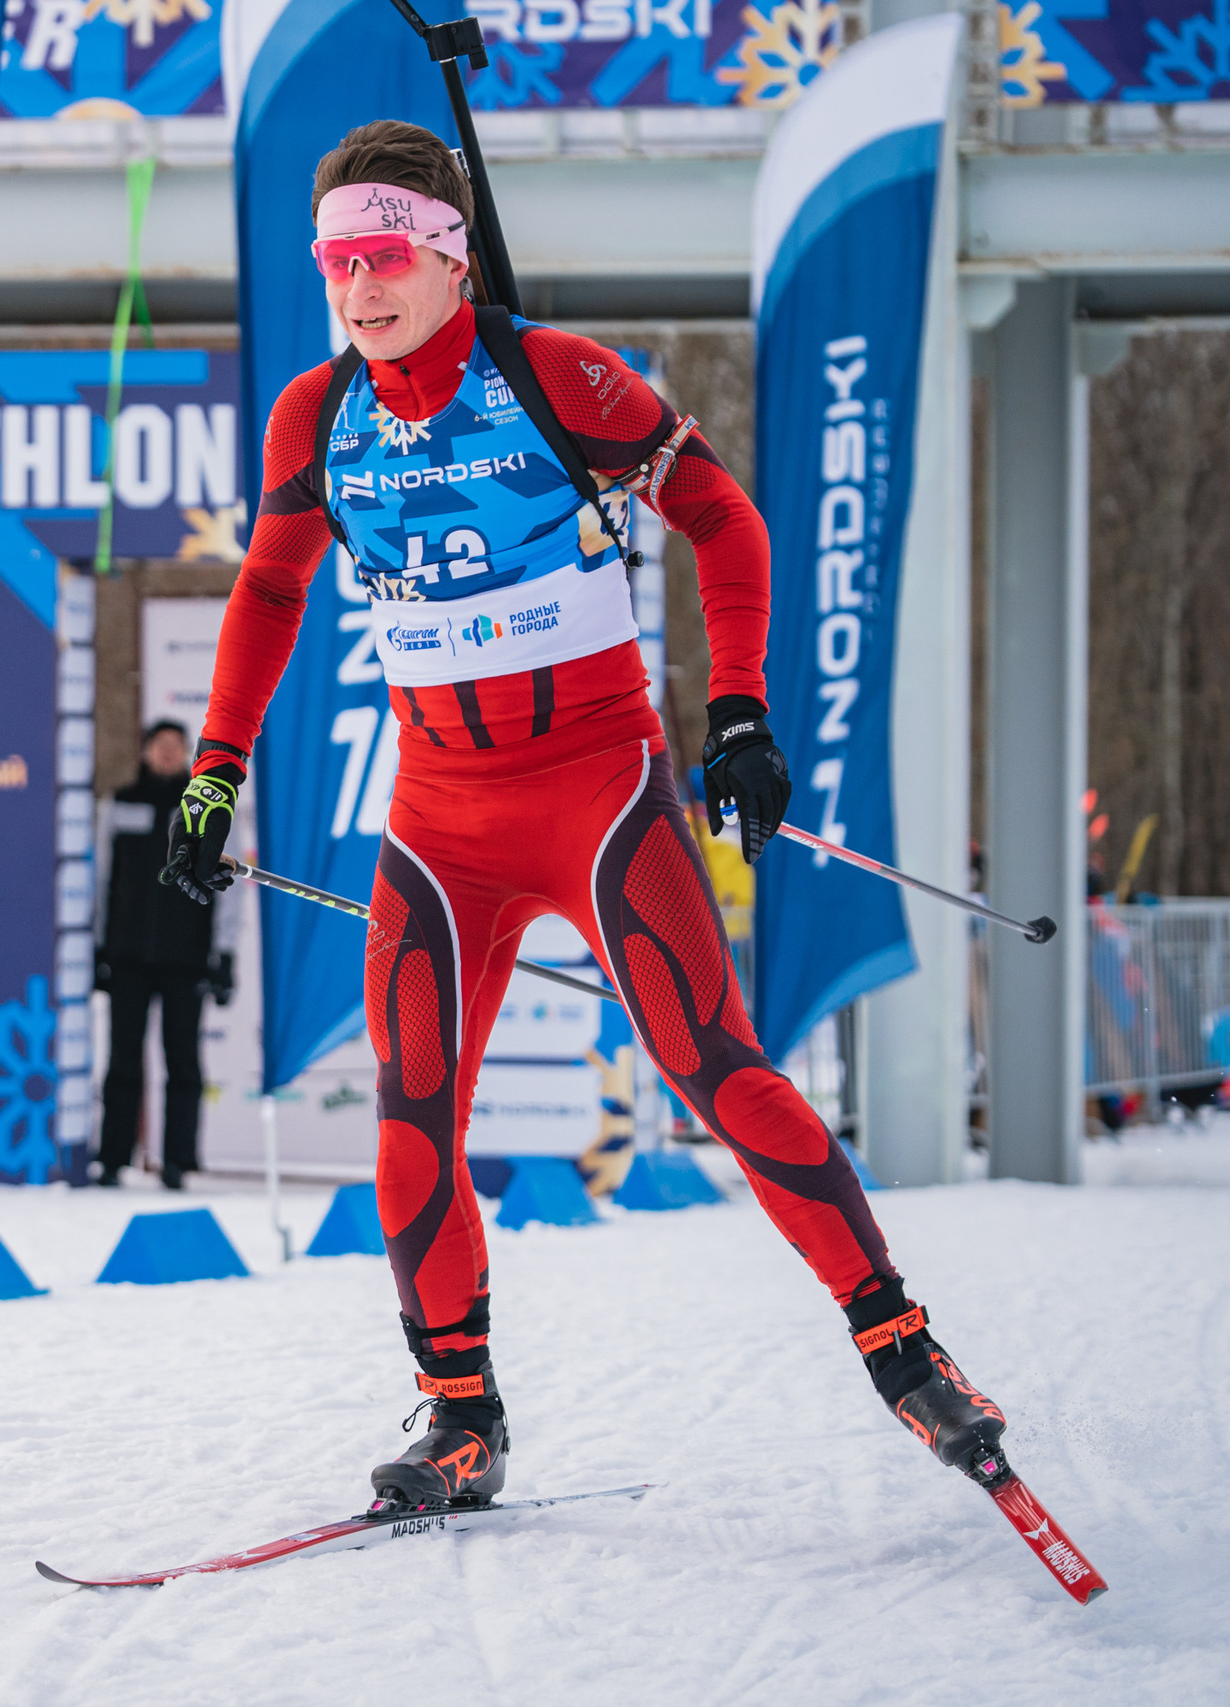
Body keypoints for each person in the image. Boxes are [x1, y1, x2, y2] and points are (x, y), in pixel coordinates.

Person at [159, 122, 1008, 1513]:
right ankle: (458, 1412)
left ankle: (906, 1347)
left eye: (382, 256)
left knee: (716, 1067)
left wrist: (739, 709)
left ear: (445, 257)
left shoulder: (555, 376)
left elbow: (723, 516)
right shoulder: (316, 414)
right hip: (438, 821)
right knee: (410, 1111)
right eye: (335, 262)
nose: (357, 288)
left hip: (601, 792)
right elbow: (265, 592)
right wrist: (215, 768)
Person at [95, 720, 235, 1189]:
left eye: (178, 746)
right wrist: (99, 947)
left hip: (187, 959)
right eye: (161, 745)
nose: (170, 753)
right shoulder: (120, 804)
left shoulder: (206, 809)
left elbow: (228, 891)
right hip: (129, 956)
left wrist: (225, 957)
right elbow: (100, 881)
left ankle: (179, 1160)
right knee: (122, 1061)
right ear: (146, 751)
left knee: (184, 1062)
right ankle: (112, 1157)